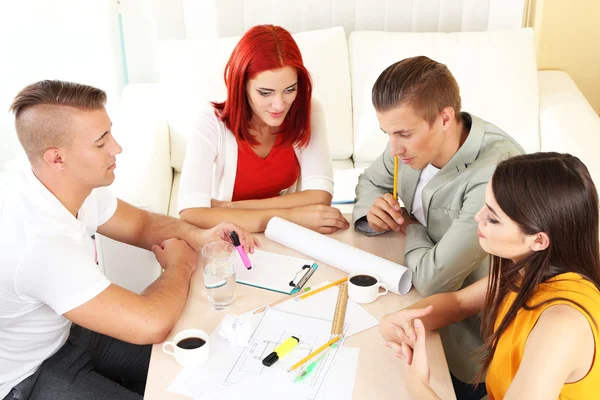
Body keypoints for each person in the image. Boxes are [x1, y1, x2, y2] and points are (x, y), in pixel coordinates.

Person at [0, 80, 258, 400]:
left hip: (71, 331)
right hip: (26, 377)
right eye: (100, 142)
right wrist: (179, 265)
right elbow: (149, 324)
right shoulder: (41, 242)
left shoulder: (59, 182)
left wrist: (197, 234)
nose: (116, 148)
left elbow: (141, 224)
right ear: (56, 158)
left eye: (110, 133)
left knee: (207, 368)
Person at [352, 56, 524, 396]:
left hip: (472, 344)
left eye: (403, 134)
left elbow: (434, 280)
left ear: (445, 118)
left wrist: (411, 225)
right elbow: (369, 182)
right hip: (413, 304)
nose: (394, 148)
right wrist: (374, 209)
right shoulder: (407, 143)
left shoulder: (494, 174)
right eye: (388, 133)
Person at [381, 153, 600, 399]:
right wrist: (403, 321)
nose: (478, 217)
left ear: (538, 240)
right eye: (485, 205)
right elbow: (458, 303)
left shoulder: (562, 325)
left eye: (493, 218)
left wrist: (417, 384)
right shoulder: (529, 272)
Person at [178, 24, 349, 234]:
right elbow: (191, 212)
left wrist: (230, 207)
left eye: (289, 90)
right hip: (231, 235)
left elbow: (321, 195)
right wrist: (290, 217)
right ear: (242, 87)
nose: (279, 105)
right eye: (265, 93)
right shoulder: (211, 121)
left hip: (275, 232)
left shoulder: (309, 110)